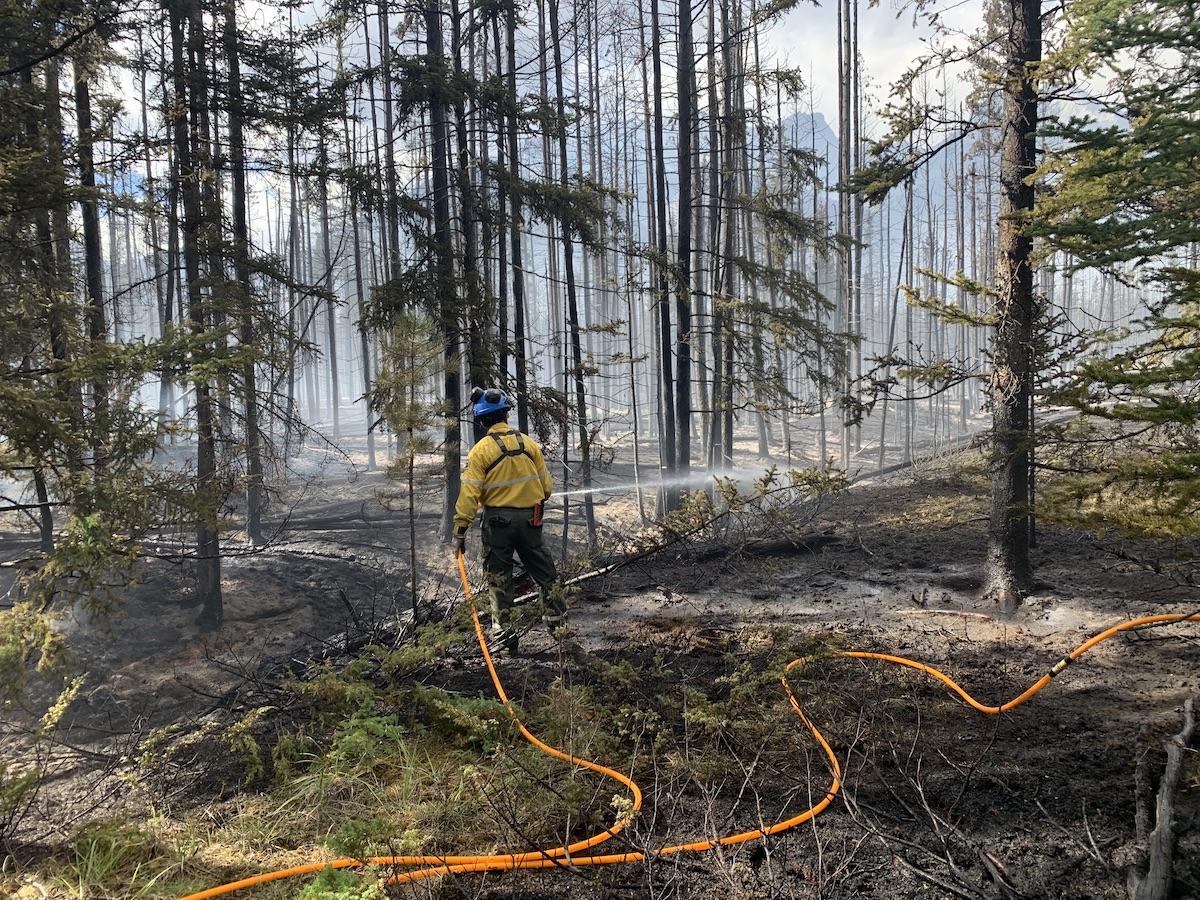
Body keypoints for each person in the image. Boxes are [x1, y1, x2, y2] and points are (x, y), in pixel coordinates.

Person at [452, 387, 564, 656]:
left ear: (481, 421)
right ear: (506, 415)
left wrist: (460, 530)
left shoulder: (480, 452)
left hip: (498, 524)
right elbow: (546, 487)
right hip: (530, 521)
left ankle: (505, 642)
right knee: (546, 575)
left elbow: (469, 494)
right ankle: (560, 632)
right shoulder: (528, 444)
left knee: (499, 581)